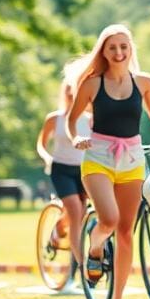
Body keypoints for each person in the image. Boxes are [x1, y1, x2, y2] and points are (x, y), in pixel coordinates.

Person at [65, 25, 150, 299]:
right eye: (112, 47)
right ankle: (96, 246)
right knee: (109, 220)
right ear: (103, 50)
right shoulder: (91, 83)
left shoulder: (144, 82)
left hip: (132, 160)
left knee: (126, 231)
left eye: (124, 46)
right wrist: (76, 138)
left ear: (131, 49)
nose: (119, 52)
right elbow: (72, 119)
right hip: (98, 159)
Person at [36, 66, 92, 283]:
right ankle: (81, 267)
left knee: (76, 216)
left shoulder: (89, 119)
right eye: (69, 91)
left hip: (84, 170)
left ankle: (56, 232)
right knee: (75, 211)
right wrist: (46, 158)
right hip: (61, 170)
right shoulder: (55, 119)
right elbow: (41, 144)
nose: (72, 94)